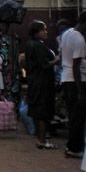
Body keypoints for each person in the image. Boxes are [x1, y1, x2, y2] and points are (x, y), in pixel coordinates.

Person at [25, 19, 58, 149]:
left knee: (38, 111)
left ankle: (41, 138)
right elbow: (44, 65)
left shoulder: (30, 44)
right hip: (42, 83)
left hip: (35, 81)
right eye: (43, 29)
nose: (46, 31)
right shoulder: (38, 45)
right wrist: (56, 60)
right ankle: (42, 140)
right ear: (37, 32)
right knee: (43, 112)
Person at [60, 11, 86, 158]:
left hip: (66, 78)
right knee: (79, 117)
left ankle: (72, 146)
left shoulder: (67, 33)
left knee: (73, 116)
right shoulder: (80, 41)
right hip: (76, 81)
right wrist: (80, 91)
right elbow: (76, 66)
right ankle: (74, 148)